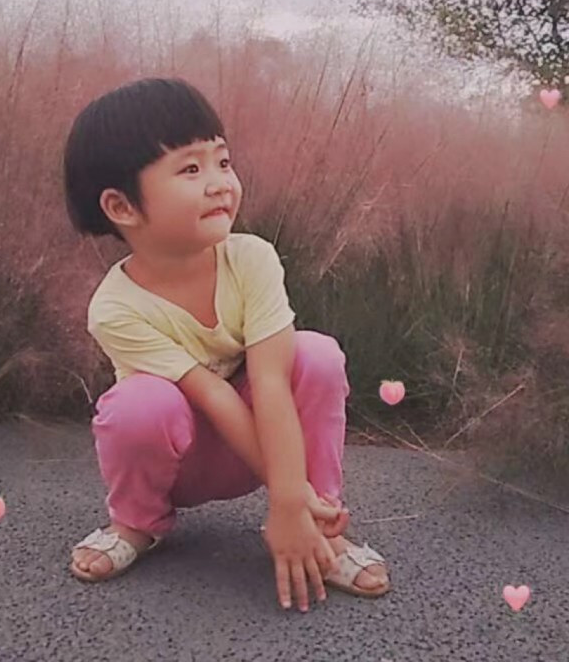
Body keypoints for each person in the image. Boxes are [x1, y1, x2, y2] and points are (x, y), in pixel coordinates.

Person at [62, 77, 390, 612]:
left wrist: (292, 502)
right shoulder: (115, 308)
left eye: (223, 161)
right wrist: (285, 495)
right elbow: (212, 395)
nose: (220, 184)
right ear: (122, 207)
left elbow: (271, 382)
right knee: (139, 404)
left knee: (315, 355)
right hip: (183, 462)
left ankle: (320, 523)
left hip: (270, 447)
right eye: (191, 170)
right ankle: (137, 523)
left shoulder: (252, 259)